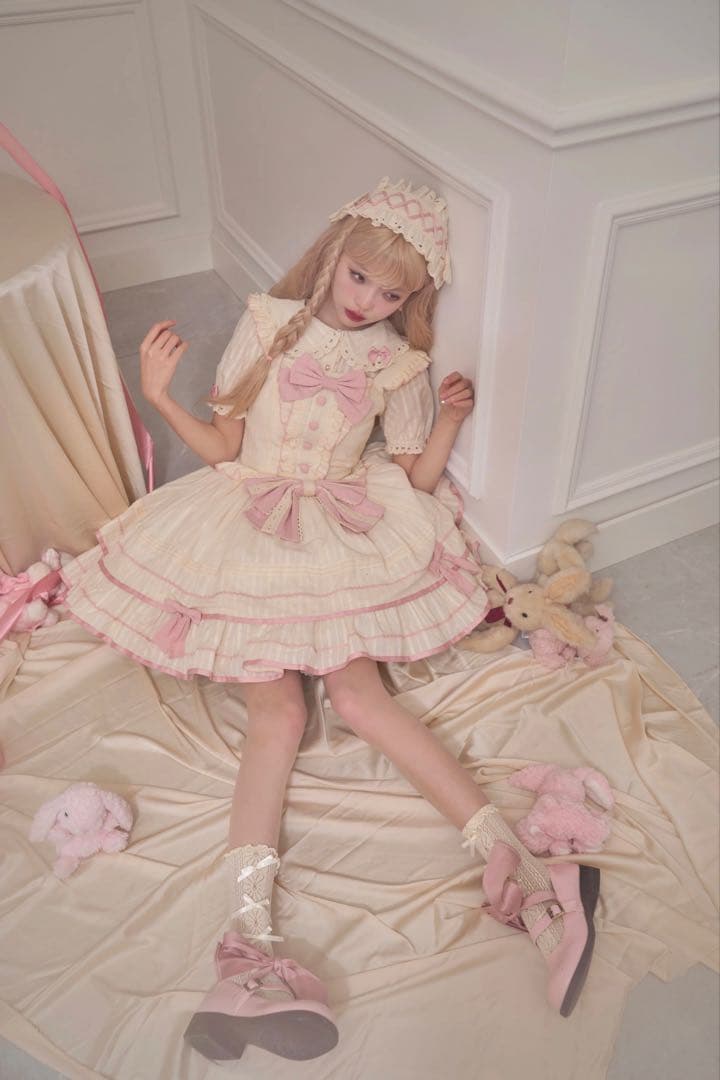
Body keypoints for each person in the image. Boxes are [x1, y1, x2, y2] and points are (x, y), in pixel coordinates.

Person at [61, 177, 600, 1063]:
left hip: (346, 525)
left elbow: (415, 479)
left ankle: (534, 878)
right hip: (250, 520)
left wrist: (448, 423)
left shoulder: (398, 363)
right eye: (358, 278)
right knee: (274, 713)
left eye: (392, 293)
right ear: (332, 256)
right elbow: (227, 447)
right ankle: (247, 946)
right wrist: (161, 395)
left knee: (359, 700)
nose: (368, 301)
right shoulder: (269, 324)